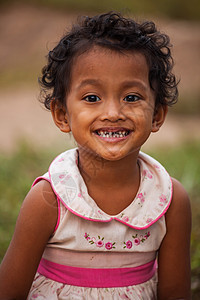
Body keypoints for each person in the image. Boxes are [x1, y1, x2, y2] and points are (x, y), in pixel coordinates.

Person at [0, 12, 191, 300]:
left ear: (157, 114)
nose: (113, 113)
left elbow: (176, 293)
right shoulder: (48, 199)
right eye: (92, 98)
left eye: (132, 97)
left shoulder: (170, 200)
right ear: (62, 115)